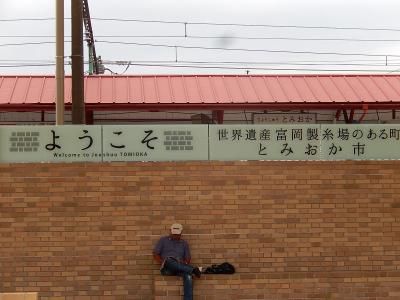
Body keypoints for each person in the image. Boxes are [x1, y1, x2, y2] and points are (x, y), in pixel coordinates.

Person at [153, 223, 201, 300]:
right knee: (169, 260)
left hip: (180, 268)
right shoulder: (163, 240)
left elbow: (188, 258)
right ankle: (192, 269)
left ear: (181, 233)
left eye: (177, 234)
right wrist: (163, 263)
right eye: (174, 234)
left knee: (188, 276)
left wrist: (185, 264)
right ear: (170, 231)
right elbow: (155, 254)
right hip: (167, 268)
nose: (175, 236)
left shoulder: (184, 244)